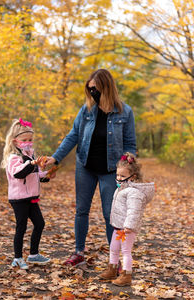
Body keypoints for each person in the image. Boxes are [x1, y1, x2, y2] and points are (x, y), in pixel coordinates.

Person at [46, 68, 137, 266]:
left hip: (111, 170)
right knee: (81, 210)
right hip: (85, 166)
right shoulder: (86, 110)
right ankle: (78, 252)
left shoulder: (125, 111)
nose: (92, 93)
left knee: (110, 214)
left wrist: (128, 164)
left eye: (95, 89)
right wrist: (55, 158)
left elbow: (130, 143)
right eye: (90, 89)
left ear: (106, 87)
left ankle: (115, 260)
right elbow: (73, 136)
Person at [1, 118, 53, 270]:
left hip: (31, 197)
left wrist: (47, 175)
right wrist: (31, 164)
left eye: (30, 139)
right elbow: (19, 174)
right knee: (21, 227)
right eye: (25, 140)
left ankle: (33, 254)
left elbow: (34, 175)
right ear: (15, 141)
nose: (28, 142)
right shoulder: (13, 158)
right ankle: (17, 258)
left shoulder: (30, 156)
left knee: (40, 223)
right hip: (19, 199)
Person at [99, 152, 155, 286]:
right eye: (117, 175)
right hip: (118, 227)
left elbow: (133, 211)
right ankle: (112, 269)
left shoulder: (134, 193)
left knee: (125, 251)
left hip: (126, 229)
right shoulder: (121, 189)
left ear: (132, 177)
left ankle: (126, 275)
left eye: (122, 176)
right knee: (113, 248)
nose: (118, 178)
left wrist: (129, 226)